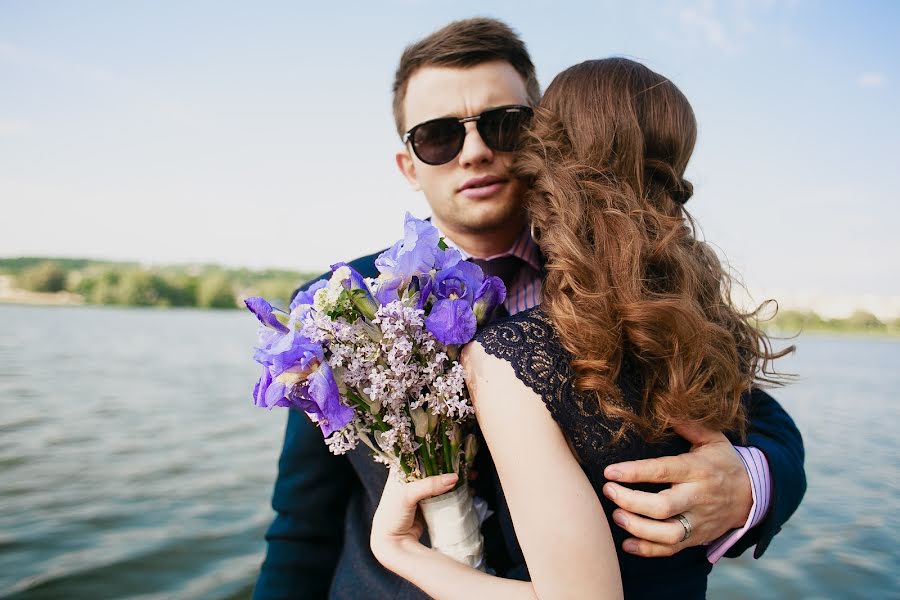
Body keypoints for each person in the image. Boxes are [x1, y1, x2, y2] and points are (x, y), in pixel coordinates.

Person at [252, 19, 805, 600]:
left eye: (503, 125)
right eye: (438, 136)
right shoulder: (338, 306)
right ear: (409, 166)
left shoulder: (625, 281)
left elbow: (763, 423)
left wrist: (750, 483)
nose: (475, 151)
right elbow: (301, 528)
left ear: (542, 138)